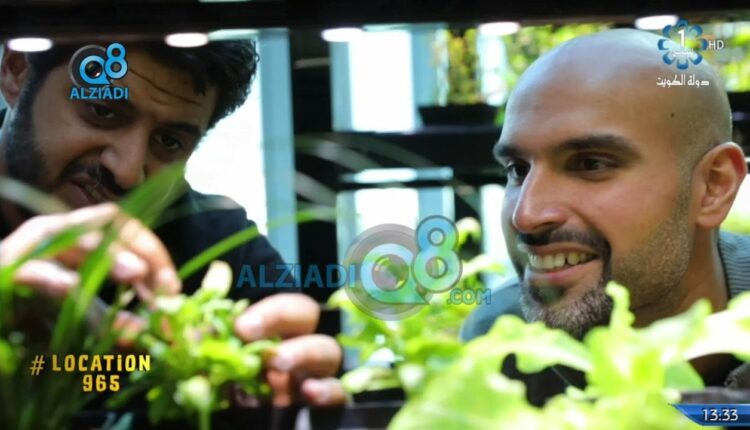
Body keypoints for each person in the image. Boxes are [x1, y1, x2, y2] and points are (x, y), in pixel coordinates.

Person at [0, 40, 345, 406]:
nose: (128, 170)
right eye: (102, 111)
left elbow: (305, 380)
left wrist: (297, 396)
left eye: (168, 142)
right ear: (16, 70)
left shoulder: (222, 249)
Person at [461, 28, 750, 404]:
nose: (526, 216)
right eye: (518, 169)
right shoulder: (501, 345)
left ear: (714, 185)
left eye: (590, 164)